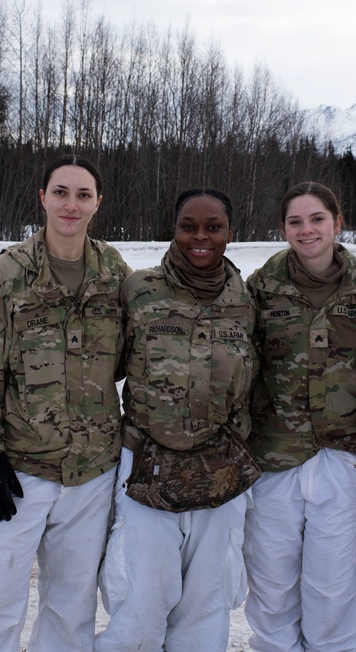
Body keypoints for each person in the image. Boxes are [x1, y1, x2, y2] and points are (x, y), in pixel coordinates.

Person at [0, 155, 131, 652]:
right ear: (42, 197)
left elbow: (138, 359)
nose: (72, 204)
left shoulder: (113, 272)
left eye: (83, 195)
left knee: (70, 615)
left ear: (98, 204)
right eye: (61, 192)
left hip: (90, 477)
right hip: (20, 471)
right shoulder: (9, 273)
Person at [95, 188, 258, 652]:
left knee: (207, 607)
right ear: (174, 229)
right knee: (141, 604)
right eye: (189, 226)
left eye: (213, 227)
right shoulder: (137, 290)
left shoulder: (246, 301)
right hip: (148, 465)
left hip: (221, 471)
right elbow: (100, 371)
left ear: (231, 232)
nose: (200, 237)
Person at [243, 182, 356, 652]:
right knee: (272, 590)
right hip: (273, 458)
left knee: (331, 590)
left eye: (317, 219)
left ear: (338, 223)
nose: (307, 230)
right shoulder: (261, 286)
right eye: (295, 222)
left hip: (340, 456)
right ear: (282, 228)